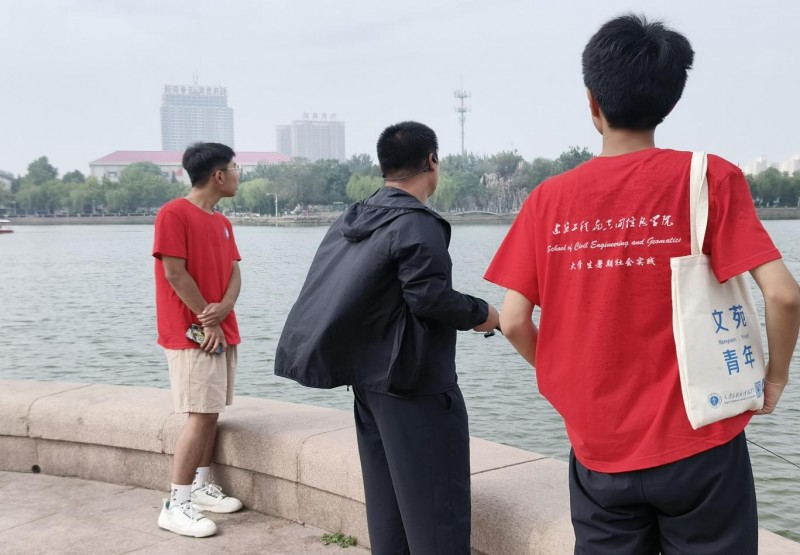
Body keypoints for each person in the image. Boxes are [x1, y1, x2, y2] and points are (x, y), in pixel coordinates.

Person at [484, 14, 800, 555]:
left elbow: (513, 320)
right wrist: (774, 379)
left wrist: (570, 384)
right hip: (702, 442)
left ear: (592, 103)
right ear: (670, 100)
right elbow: (785, 294)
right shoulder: (710, 177)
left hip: (599, 450)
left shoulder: (548, 200)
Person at [275, 121, 500, 554]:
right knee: (439, 514)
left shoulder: (356, 217)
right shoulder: (417, 224)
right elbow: (429, 298)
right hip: (417, 388)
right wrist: (485, 313)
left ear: (384, 167)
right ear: (432, 162)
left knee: (390, 511)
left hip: (371, 385)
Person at [153, 142, 245, 537]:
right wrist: (207, 321)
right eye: (235, 168)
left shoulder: (222, 221)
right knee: (199, 414)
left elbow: (234, 272)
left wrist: (224, 307)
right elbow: (175, 274)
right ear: (218, 175)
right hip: (192, 334)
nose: (239, 175)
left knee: (210, 411)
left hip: (220, 330)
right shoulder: (174, 213)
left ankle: (203, 487)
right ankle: (177, 503)